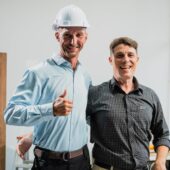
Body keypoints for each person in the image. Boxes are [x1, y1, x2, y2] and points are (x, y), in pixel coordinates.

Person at [4, 4, 91, 170]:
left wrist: (32, 134)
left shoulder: (85, 75)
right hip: (49, 164)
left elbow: (82, 117)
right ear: (57, 36)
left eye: (79, 34)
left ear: (85, 37)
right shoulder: (38, 73)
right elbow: (10, 114)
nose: (73, 41)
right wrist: (50, 109)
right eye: (67, 35)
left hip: (82, 161)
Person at [86, 37, 170, 170]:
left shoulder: (150, 95)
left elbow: (163, 134)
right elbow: (74, 126)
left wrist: (160, 162)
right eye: (119, 55)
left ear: (137, 59)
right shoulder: (94, 94)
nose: (126, 60)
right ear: (110, 60)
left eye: (130, 55)